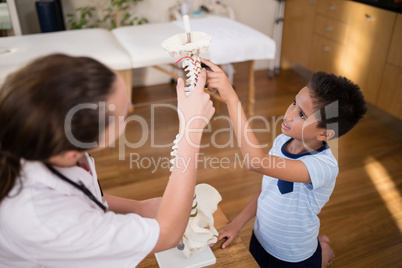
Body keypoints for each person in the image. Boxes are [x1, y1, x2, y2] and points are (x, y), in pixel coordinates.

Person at [0, 54, 215, 267]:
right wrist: (191, 132)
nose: (131, 115)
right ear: (72, 151)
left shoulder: (43, 141)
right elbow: (167, 235)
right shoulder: (45, 220)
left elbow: (83, 193)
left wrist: (138, 207)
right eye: (124, 116)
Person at [201, 58, 367, 268]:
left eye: (301, 114)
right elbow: (267, 190)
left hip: (294, 256)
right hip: (261, 240)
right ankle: (321, 245)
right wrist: (236, 224)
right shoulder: (282, 142)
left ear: (325, 133)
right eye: (294, 102)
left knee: (318, 260)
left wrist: (232, 99)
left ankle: (323, 250)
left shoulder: (323, 167)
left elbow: (256, 162)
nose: (288, 114)